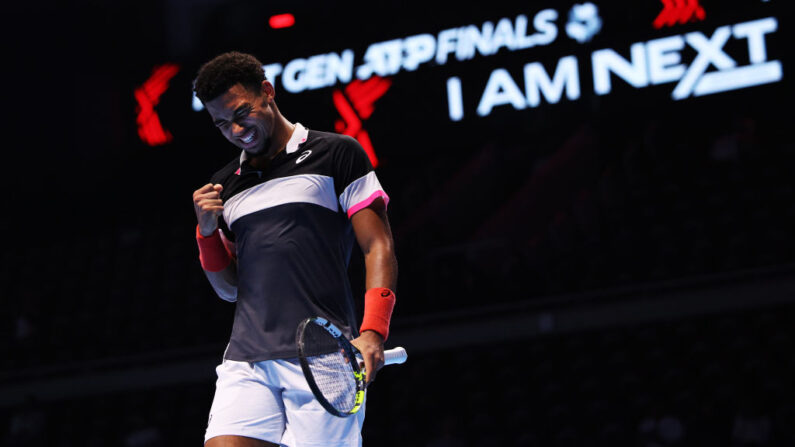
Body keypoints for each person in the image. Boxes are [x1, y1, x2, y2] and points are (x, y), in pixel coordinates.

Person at [191, 51, 398, 447]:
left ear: (267, 92)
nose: (236, 130)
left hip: (326, 358)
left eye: (242, 113)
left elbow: (378, 245)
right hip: (247, 360)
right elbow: (229, 288)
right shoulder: (225, 184)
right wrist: (206, 233)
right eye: (221, 124)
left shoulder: (337, 153)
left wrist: (374, 330)